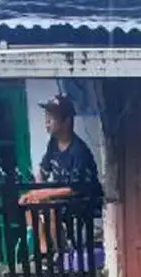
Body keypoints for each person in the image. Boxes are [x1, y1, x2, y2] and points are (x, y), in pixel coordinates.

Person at [18, 94, 104, 255]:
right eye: (46, 117)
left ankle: (60, 253)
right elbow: (42, 171)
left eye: (52, 118)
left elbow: (73, 189)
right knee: (30, 205)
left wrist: (41, 194)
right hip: (61, 198)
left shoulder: (79, 151)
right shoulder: (53, 143)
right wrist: (35, 192)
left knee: (51, 209)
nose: (47, 122)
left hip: (82, 201)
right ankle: (43, 251)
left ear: (66, 121)